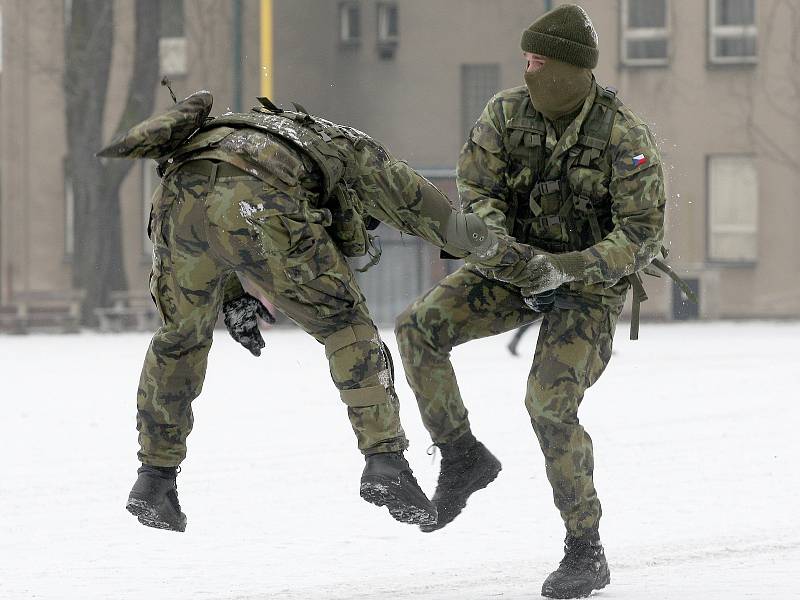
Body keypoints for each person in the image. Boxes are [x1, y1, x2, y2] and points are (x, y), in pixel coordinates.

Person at [99, 91, 524, 533]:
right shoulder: (361, 155)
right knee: (347, 326)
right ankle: (385, 461)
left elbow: (212, 204)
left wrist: (230, 295)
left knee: (179, 339)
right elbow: (452, 230)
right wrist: (524, 265)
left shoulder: (248, 132)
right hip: (261, 199)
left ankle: (154, 479)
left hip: (175, 197)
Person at [395, 4, 666, 598]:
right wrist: (505, 252)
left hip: (587, 289)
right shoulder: (504, 113)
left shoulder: (625, 135)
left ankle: (584, 549)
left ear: (572, 68)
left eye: (540, 60)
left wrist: (566, 268)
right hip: (513, 270)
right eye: (527, 59)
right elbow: (477, 193)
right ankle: (461, 455)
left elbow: (641, 237)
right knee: (417, 327)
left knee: (547, 405)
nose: (529, 69)